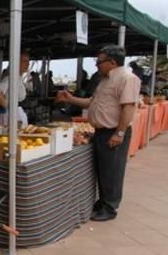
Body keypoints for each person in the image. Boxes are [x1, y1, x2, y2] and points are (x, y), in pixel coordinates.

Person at [56, 45, 140, 222]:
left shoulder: (127, 78)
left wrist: (120, 133)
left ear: (112, 62)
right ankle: (102, 202)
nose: (96, 65)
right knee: (103, 170)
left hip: (113, 131)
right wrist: (70, 99)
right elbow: (91, 103)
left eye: (99, 61)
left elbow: (128, 108)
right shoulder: (104, 80)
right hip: (100, 131)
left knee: (112, 171)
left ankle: (110, 207)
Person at [0, 51, 31, 127]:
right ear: (16, 62)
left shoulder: (18, 78)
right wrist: (7, 106)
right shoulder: (11, 78)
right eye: (24, 61)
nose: (28, 64)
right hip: (10, 115)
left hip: (16, 112)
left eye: (28, 62)